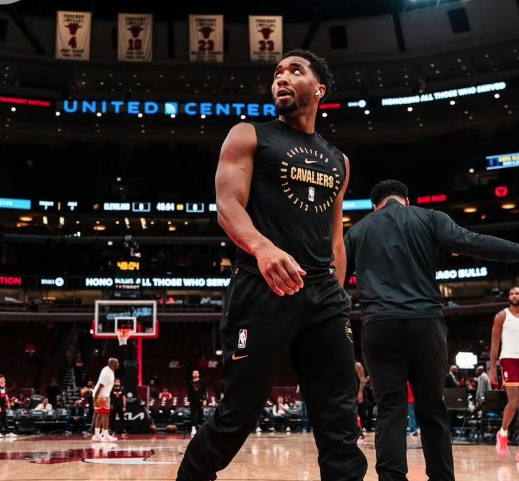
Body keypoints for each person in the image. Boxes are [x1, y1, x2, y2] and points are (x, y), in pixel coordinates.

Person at [175, 49, 367, 481]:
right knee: (237, 415)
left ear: (319, 89)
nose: (281, 77)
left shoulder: (339, 161)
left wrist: (337, 298)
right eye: (277, 72)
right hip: (262, 290)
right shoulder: (249, 135)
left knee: (340, 422)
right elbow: (227, 205)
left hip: (324, 297)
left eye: (295, 71)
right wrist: (262, 248)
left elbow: (335, 239)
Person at [344, 179, 519, 481]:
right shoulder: (429, 217)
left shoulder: (358, 230)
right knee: (433, 410)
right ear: (406, 200)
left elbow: (333, 273)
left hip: (378, 324)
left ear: (375, 206)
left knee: (390, 410)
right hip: (425, 322)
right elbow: (473, 241)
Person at [489, 287, 519, 459]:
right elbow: (495, 344)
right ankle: (502, 433)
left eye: (517, 293)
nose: (514, 296)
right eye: (512, 293)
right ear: (508, 297)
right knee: (514, 402)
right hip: (508, 360)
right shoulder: (502, 316)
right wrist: (492, 368)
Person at [92, 357, 119, 442]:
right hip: (102, 396)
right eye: (117, 363)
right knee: (105, 415)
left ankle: (96, 435)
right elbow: (100, 386)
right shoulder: (108, 374)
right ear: (112, 364)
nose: (118, 364)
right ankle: (106, 435)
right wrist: (95, 399)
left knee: (99, 415)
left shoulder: (106, 368)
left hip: (100, 395)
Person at [187, 369, 207, 436]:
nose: (195, 374)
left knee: (200, 414)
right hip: (193, 401)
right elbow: (189, 392)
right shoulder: (190, 382)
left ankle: (200, 428)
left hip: (200, 400)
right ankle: (193, 428)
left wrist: (205, 400)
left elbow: (204, 391)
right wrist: (188, 400)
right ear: (192, 375)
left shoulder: (202, 381)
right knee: (193, 415)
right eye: (194, 373)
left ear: (198, 374)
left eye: (196, 373)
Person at [0, 374, 17, 439]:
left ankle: (8, 433)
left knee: (4, 419)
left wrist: (8, 402)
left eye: (4, 379)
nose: (3, 380)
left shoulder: (3, 387)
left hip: (2, 406)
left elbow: (5, 395)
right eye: (1, 379)